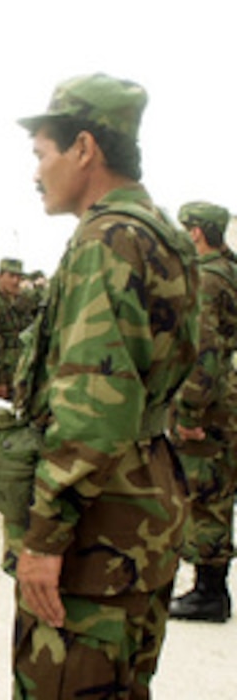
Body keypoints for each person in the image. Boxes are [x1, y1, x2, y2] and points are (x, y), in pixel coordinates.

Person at [11, 73, 198, 698]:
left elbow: (92, 413)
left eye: (42, 154)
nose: (35, 173)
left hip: (97, 542)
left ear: (84, 148)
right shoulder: (161, 233)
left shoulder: (106, 241)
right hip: (141, 517)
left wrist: (43, 538)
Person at [169, 201, 237, 623]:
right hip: (225, 393)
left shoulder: (208, 279)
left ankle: (210, 593)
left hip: (209, 404)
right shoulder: (230, 272)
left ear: (196, 233)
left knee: (207, 495)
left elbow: (204, 349)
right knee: (219, 490)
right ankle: (211, 586)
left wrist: (191, 413)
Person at [0, 258, 30, 401]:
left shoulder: (16, 305)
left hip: (16, 373)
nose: (16, 281)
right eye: (11, 276)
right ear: (0, 277)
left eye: (19, 277)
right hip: (1, 377)